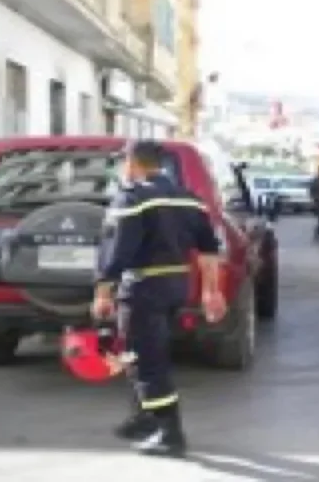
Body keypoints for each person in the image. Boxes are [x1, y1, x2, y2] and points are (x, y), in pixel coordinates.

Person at [91, 140, 226, 458]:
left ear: (132, 162)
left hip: (143, 286)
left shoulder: (132, 198)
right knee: (143, 352)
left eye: (123, 161)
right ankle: (143, 418)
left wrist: (102, 293)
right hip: (176, 284)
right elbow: (209, 249)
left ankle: (170, 433)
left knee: (145, 358)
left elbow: (116, 253)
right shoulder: (189, 200)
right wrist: (211, 291)